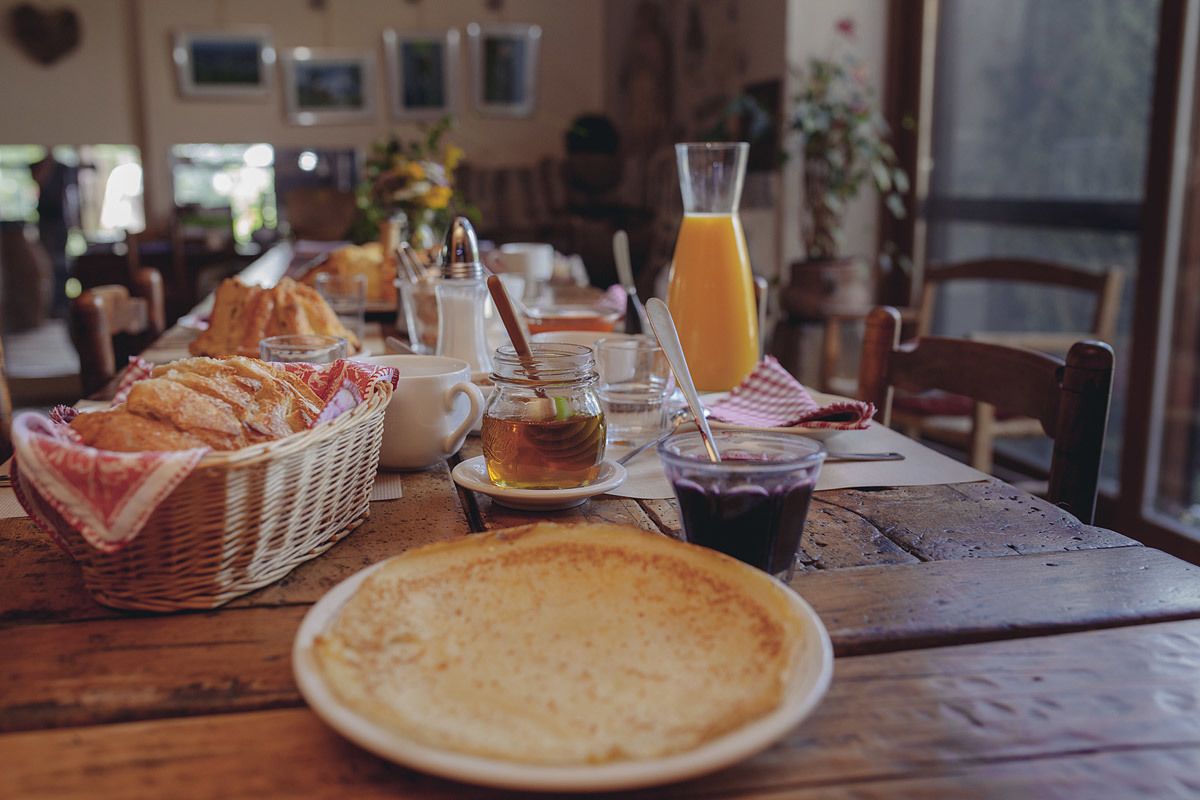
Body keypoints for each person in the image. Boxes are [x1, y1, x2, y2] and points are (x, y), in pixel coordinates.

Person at [29, 152, 78, 317]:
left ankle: (61, 305)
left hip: (59, 227)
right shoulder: (42, 169)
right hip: (47, 226)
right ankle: (53, 307)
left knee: (60, 266)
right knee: (50, 268)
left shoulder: (62, 170)